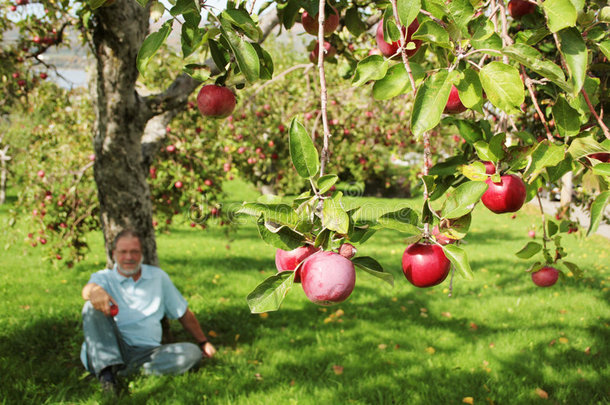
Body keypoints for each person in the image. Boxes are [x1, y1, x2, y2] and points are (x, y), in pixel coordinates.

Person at [80, 229, 216, 394]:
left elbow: (183, 312)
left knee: (192, 353)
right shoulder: (104, 277)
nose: (129, 257)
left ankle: (119, 371)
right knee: (90, 306)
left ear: (142, 253)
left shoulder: (158, 277)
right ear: (114, 253)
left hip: (149, 353)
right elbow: (87, 290)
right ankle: (108, 378)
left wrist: (203, 342)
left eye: (134, 252)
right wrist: (95, 292)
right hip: (114, 346)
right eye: (123, 252)